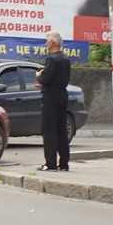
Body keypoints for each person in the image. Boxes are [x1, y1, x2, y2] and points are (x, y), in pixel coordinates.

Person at [35, 32, 71, 172]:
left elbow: (46, 78)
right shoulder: (65, 59)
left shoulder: (51, 59)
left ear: (52, 43)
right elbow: (62, 79)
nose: (45, 44)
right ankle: (64, 164)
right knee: (61, 130)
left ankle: (50, 163)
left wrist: (39, 76)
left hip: (50, 98)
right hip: (62, 95)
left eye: (47, 41)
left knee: (49, 130)